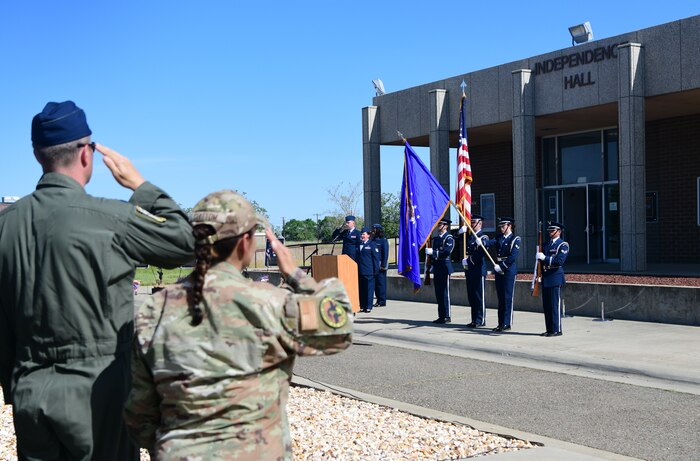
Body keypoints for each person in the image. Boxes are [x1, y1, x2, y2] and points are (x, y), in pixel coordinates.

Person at [0, 100, 195, 460]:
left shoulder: (6, 225)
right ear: (86, 155)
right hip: (98, 390)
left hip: (30, 389)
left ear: (37, 155)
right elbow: (185, 242)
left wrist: (15, 386)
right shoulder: (109, 218)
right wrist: (140, 184)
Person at [124, 190, 353, 460]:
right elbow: (339, 328)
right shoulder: (272, 303)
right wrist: (295, 274)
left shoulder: (155, 308)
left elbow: (139, 410)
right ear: (245, 243)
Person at [485, 217, 520, 332]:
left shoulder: (515, 239)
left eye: (503, 226)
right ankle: (501, 323)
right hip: (498, 268)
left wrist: (502, 266)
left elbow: (512, 257)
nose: (501, 228)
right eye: (500, 226)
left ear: (509, 226)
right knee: (500, 297)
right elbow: (491, 242)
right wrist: (482, 242)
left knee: (507, 297)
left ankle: (507, 323)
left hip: (508, 269)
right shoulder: (499, 237)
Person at [537, 221, 570, 337]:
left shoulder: (563, 245)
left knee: (554, 305)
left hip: (555, 277)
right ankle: (549, 329)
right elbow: (540, 262)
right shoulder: (546, 244)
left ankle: (557, 329)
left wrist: (544, 257)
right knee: (547, 305)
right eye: (549, 231)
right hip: (546, 276)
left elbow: (559, 261)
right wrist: (538, 275)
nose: (550, 232)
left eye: (552, 230)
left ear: (559, 232)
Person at [458, 215, 489, 328]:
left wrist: (469, 261)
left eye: (474, 222)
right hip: (470, 270)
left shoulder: (483, 236)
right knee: (471, 296)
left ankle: (480, 320)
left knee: (479, 296)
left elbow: (481, 253)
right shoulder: (470, 236)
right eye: (471, 222)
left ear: (480, 223)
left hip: (478, 269)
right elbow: (461, 243)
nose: (472, 224)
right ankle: (474, 319)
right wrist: (461, 233)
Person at [426, 218, 455, 324]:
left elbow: (446, 252)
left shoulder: (449, 238)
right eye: (438, 225)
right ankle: (441, 315)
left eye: (441, 225)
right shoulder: (437, 239)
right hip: (437, 267)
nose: (438, 227)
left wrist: (433, 252)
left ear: (446, 226)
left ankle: (447, 315)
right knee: (438, 292)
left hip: (445, 267)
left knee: (444, 292)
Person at [357, 227, 380, 312]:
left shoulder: (372, 244)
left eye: (364, 234)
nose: (362, 236)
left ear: (368, 235)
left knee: (369, 290)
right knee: (361, 290)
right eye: (361, 234)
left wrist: (376, 270)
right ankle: (362, 306)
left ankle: (369, 306)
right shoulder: (359, 244)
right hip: (360, 271)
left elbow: (375, 258)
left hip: (369, 271)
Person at [372, 223, 389, 307]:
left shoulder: (383, 240)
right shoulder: (373, 240)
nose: (373, 231)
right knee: (376, 284)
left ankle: (382, 301)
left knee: (381, 283)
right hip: (374, 264)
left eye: (374, 229)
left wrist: (383, 265)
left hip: (381, 263)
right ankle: (378, 300)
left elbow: (385, 254)